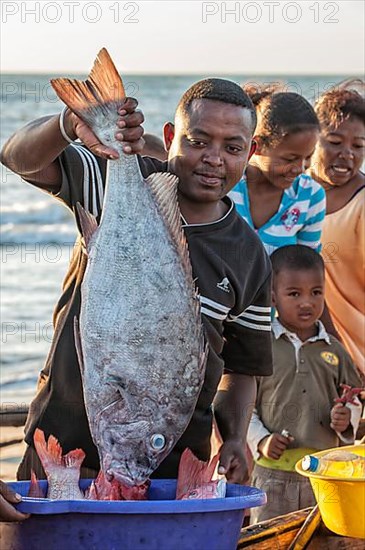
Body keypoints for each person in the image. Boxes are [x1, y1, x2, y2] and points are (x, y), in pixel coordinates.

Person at [1, 74, 273, 484]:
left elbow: (243, 366)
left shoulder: (249, 254)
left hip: (170, 470)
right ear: (170, 136)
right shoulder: (114, 183)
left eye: (232, 147)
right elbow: (18, 159)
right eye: (198, 141)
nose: (214, 158)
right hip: (60, 455)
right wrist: (68, 125)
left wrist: (234, 437)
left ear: (250, 152)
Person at [247, 245, 362, 524]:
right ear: (273, 297)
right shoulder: (262, 348)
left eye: (316, 292)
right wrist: (261, 440)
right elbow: (244, 408)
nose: (307, 303)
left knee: (323, 539)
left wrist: (347, 419)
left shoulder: (335, 350)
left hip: (326, 476)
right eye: (294, 294)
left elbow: (355, 399)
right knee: (267, 538)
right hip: (271, 476)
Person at [309, 80, 365, 376]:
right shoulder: (294, 193)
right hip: (308, 350)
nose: (347, 154)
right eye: (334, 141)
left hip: (357, 353)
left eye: (358, 146)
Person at [229, 88, 326, 256]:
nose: (300, 169)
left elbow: (307, 264)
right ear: (257, 146)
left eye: (308, 157)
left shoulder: (309, 195)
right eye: (290, 159)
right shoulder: (228, 185)